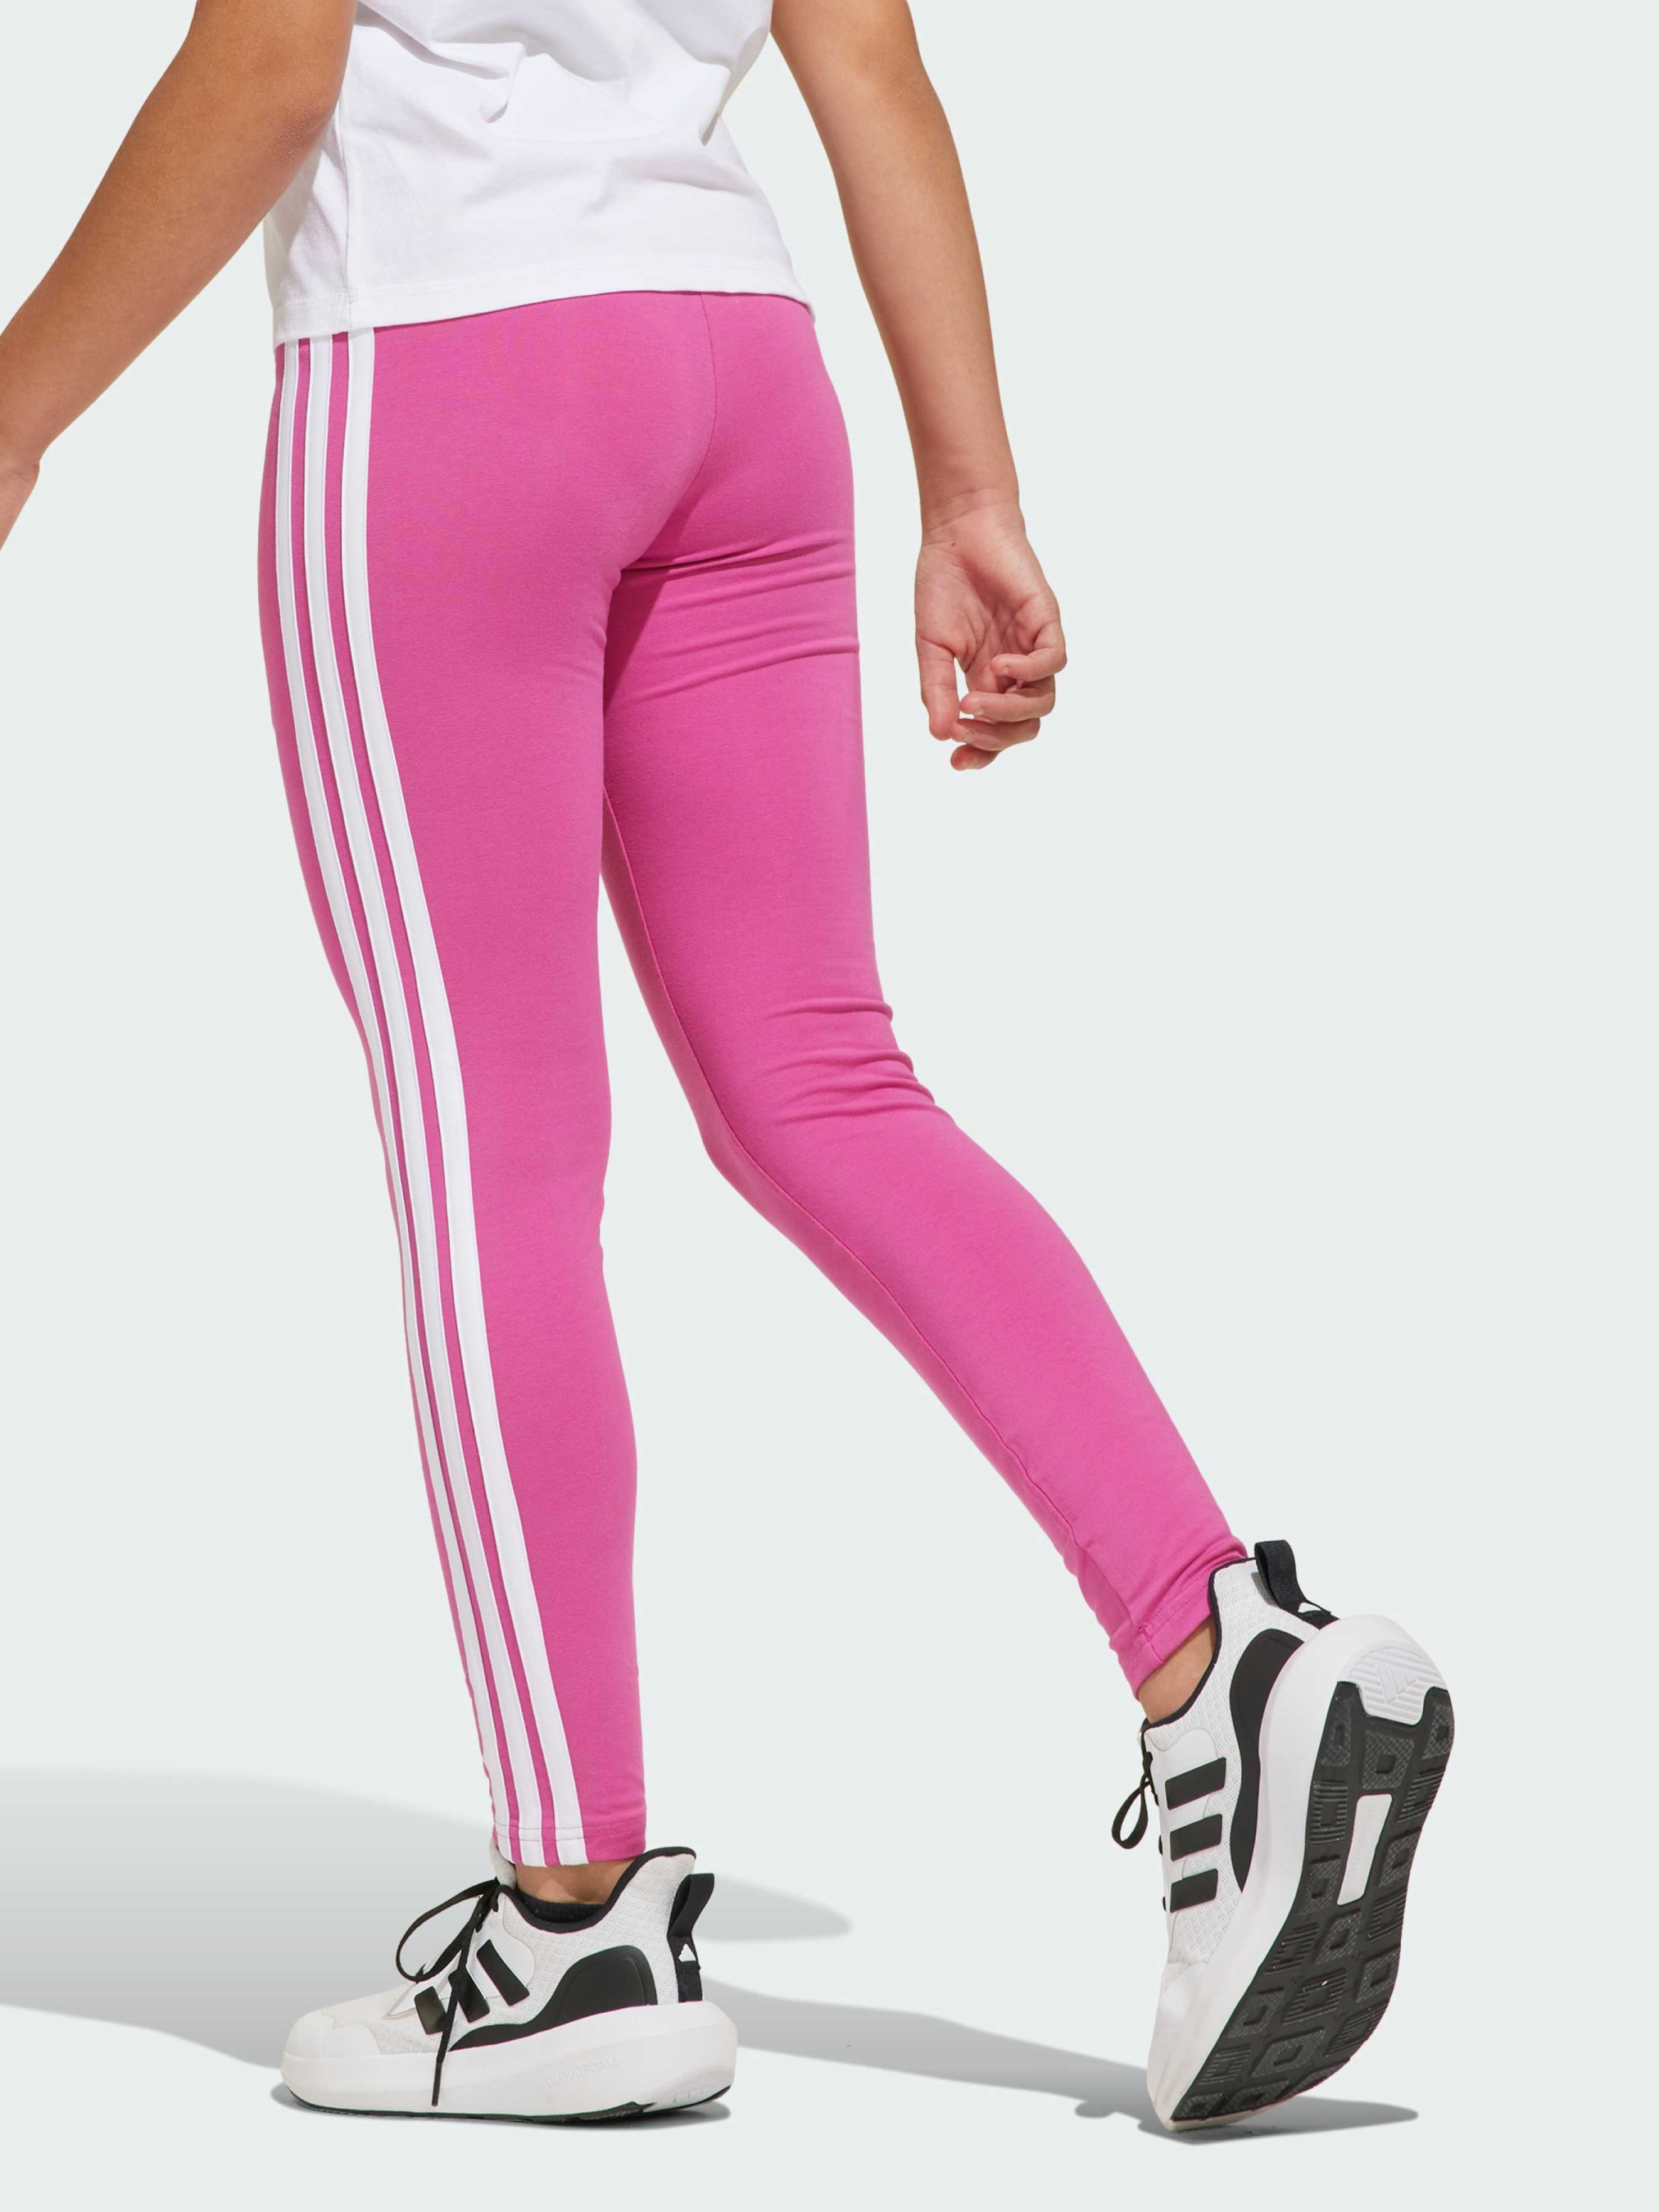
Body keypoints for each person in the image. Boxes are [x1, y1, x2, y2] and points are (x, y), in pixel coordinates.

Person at [0, 0, 1453, 2133]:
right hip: (740, 374)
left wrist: (17, 409)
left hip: (448, 376)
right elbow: (866, 59)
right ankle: (1224, 1650)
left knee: (494, 1154)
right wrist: (973, 490)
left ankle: (574, 1923)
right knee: (825, 1087)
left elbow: (275, 59)